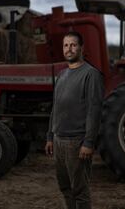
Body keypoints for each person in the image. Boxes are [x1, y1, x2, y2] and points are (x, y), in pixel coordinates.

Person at [45, 31, 104, 209]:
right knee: (65, 187)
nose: (69, 49)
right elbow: (56, 107)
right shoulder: (62, 75)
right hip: (59, 140)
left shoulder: (91, 74)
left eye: (73, 45)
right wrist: (49, 136)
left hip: (76, 142)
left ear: (81, 48)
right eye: (66, 45)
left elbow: (94, 110)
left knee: (80, 190)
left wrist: (89, 142)